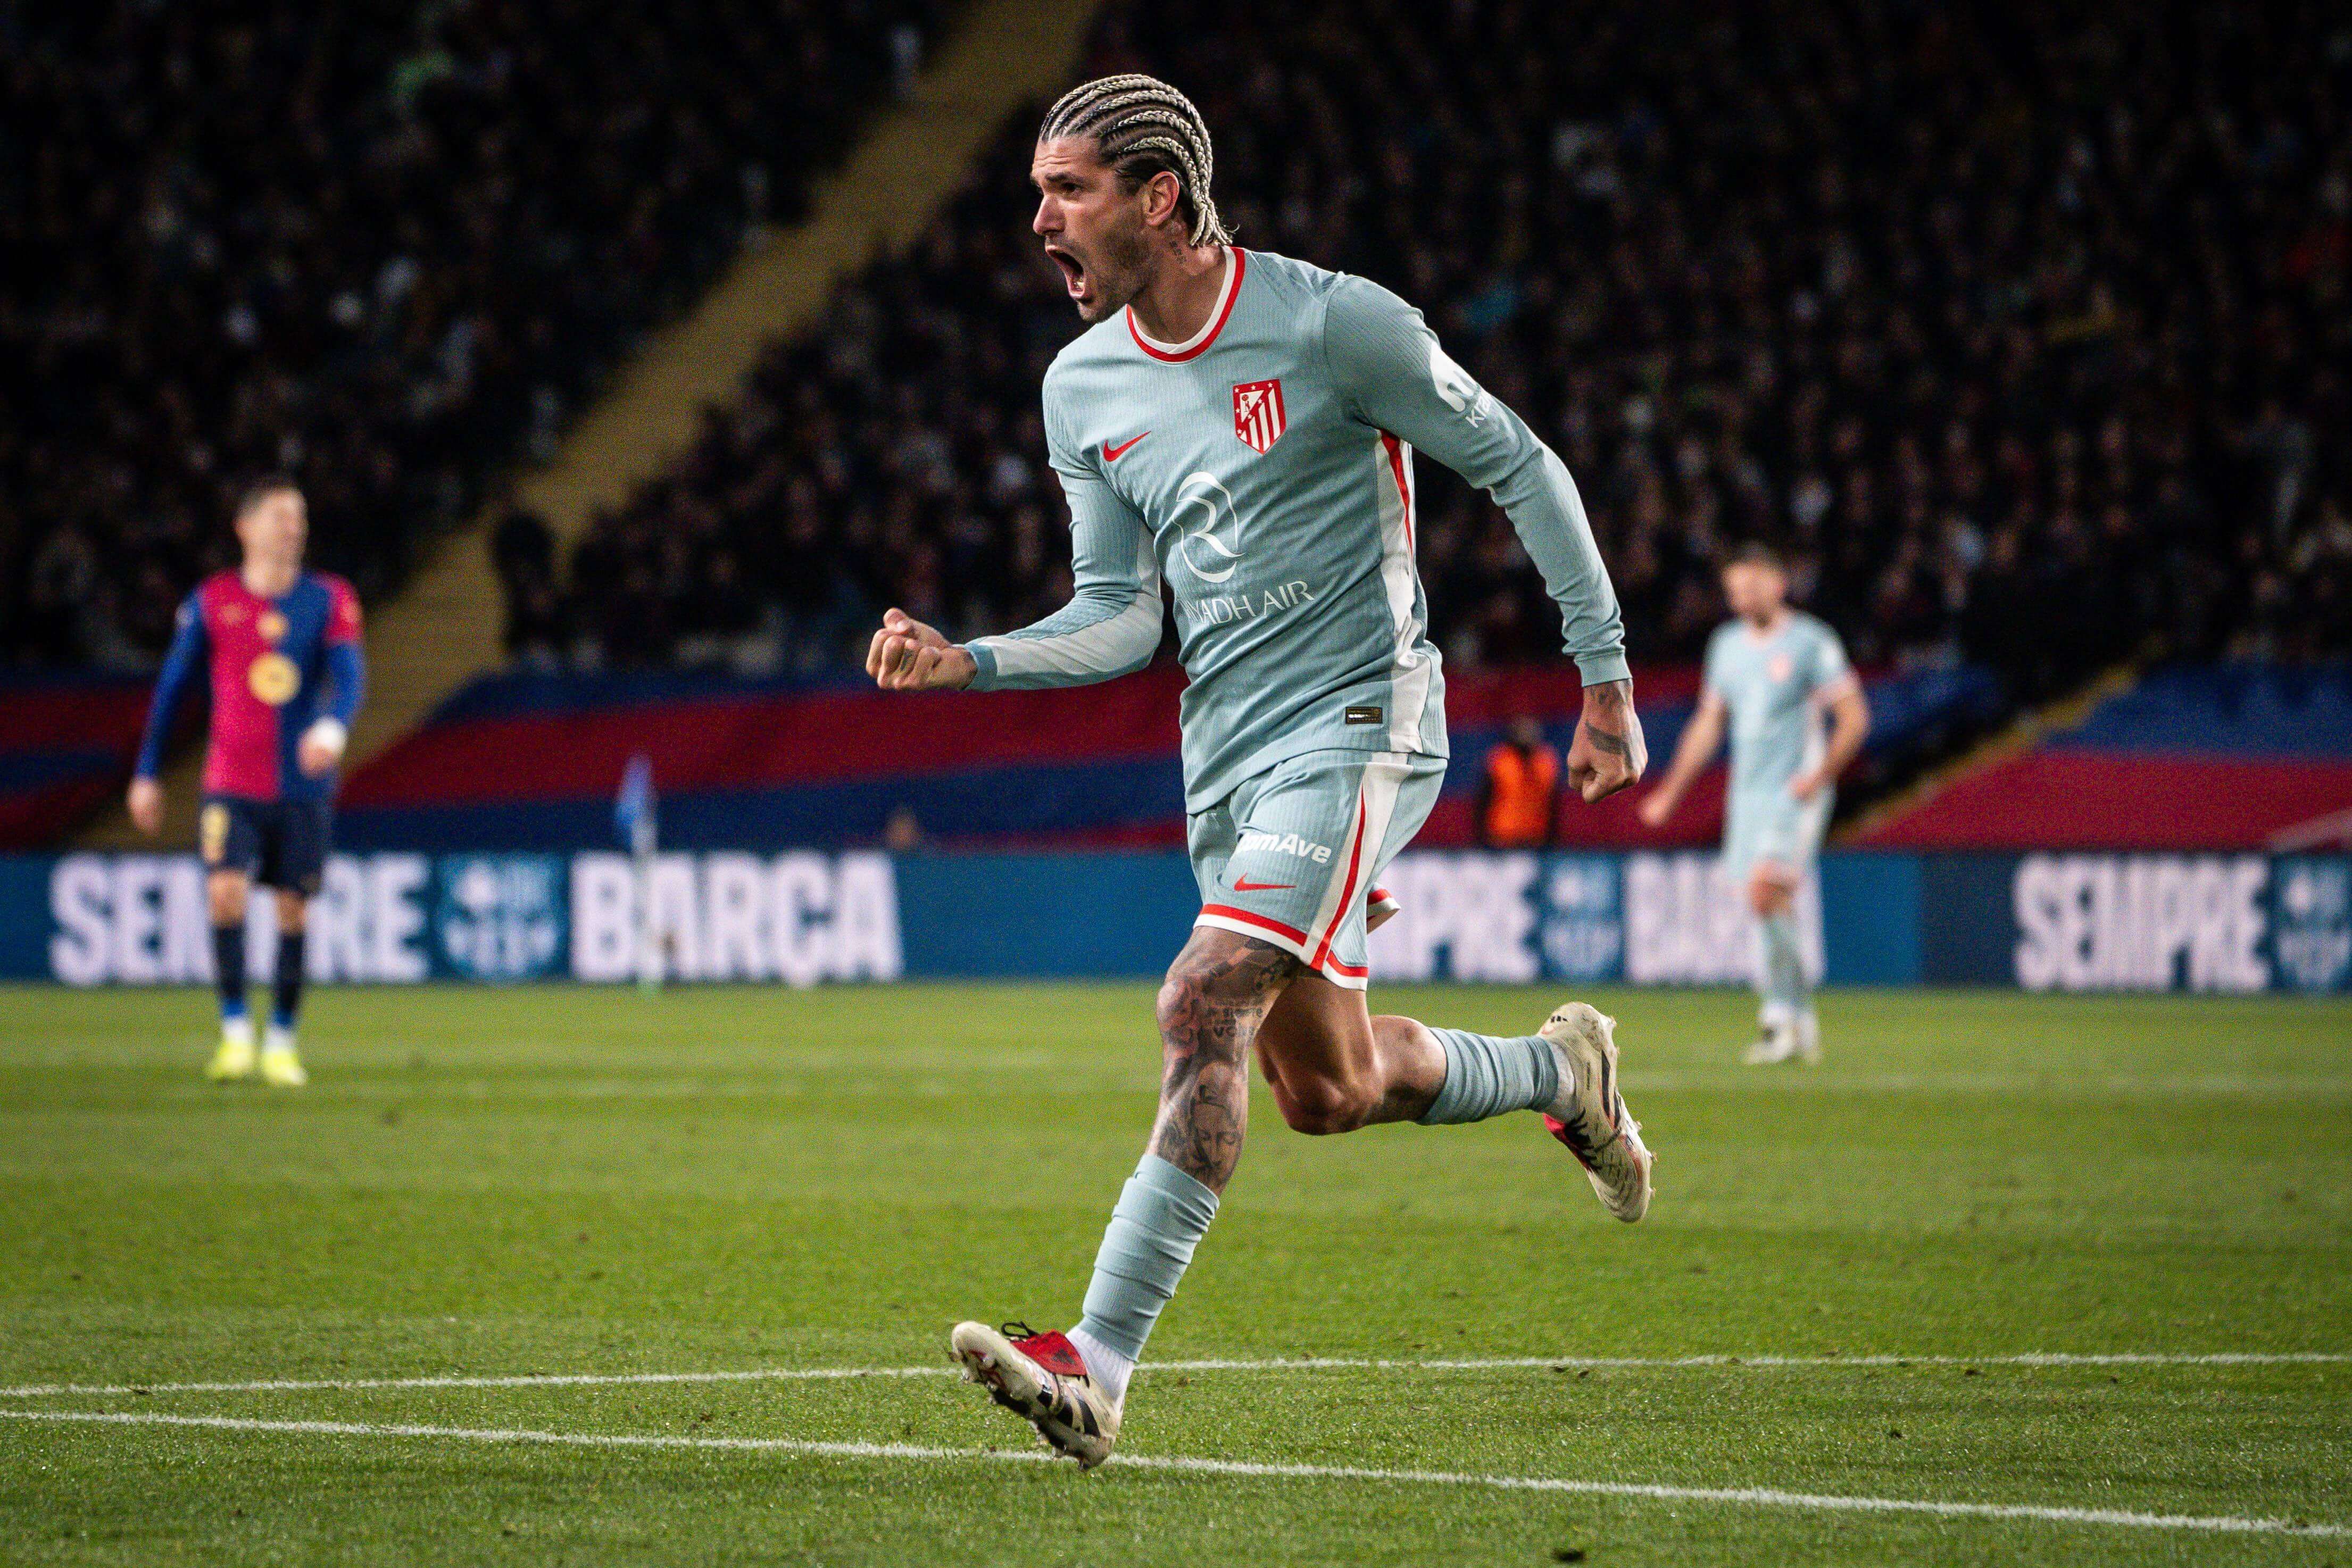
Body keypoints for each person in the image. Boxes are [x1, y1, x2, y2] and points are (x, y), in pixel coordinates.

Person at [864, 75, 1653, 1468]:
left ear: (1158, 197)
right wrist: (967, 659)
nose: (1037, 215)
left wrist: (1601, 678)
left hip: (1362, 719)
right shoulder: (1080, 386)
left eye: (1066, 189)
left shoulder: (1333, 323)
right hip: (1223, 757)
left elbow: (1519, 464)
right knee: (1325, 1090)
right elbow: (1121, 614)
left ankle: (1093, 1362)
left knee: (1200, 991)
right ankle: (1562, 1073)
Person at [128, 478, 365, 1087]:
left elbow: (350, 676)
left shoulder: (329, 598)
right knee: (225, 895)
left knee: (293, 910)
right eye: (283, 516)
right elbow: (173, 688)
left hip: (302, 789)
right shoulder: (211, 602)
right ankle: (236, 1032)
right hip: (230, 782)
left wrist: (333, 730)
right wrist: (147, 771)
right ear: (246, 526)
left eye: (301, 516)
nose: (295, 527)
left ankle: (282, 1039)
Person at [1638, 543, 1869, 1064]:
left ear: (1777, 583)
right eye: (1732, 591)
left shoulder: (1812, 641)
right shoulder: (1725, 645)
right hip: (1747, 798)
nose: (1740, 599)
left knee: (1765, 891)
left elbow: (1853, 717)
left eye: (1749, 587)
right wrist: (1670, 792)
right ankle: (1798, 1014)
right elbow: (1707, 723)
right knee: (1764, 904)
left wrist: (1819, 776)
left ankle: (1777, 1018)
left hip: (1794, 792)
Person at [1476, 714, 1561, 848]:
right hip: (1502, 836)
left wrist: (1552, 838)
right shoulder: (1500, 761)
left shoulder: (1545, 762)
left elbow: (1553, 804)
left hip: (1536, 837)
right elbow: (1483, 801)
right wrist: (1482, 837)